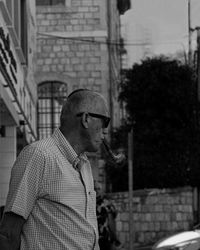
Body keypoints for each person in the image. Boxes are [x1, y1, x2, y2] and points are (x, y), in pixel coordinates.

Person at [0, 89, 110, 250]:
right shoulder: (39, 155)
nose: (106, 131)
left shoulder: (84, 164)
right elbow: (8, 233)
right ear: (86, 119)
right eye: (105, 122)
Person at [94, 181, 122, 250]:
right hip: (94, 239)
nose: (97, 191)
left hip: (104, 239)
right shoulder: (91, 204)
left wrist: (114, 238)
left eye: (98, 189)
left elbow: (111, 222)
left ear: (102, 190)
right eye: (95, 189)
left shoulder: (107, 204)